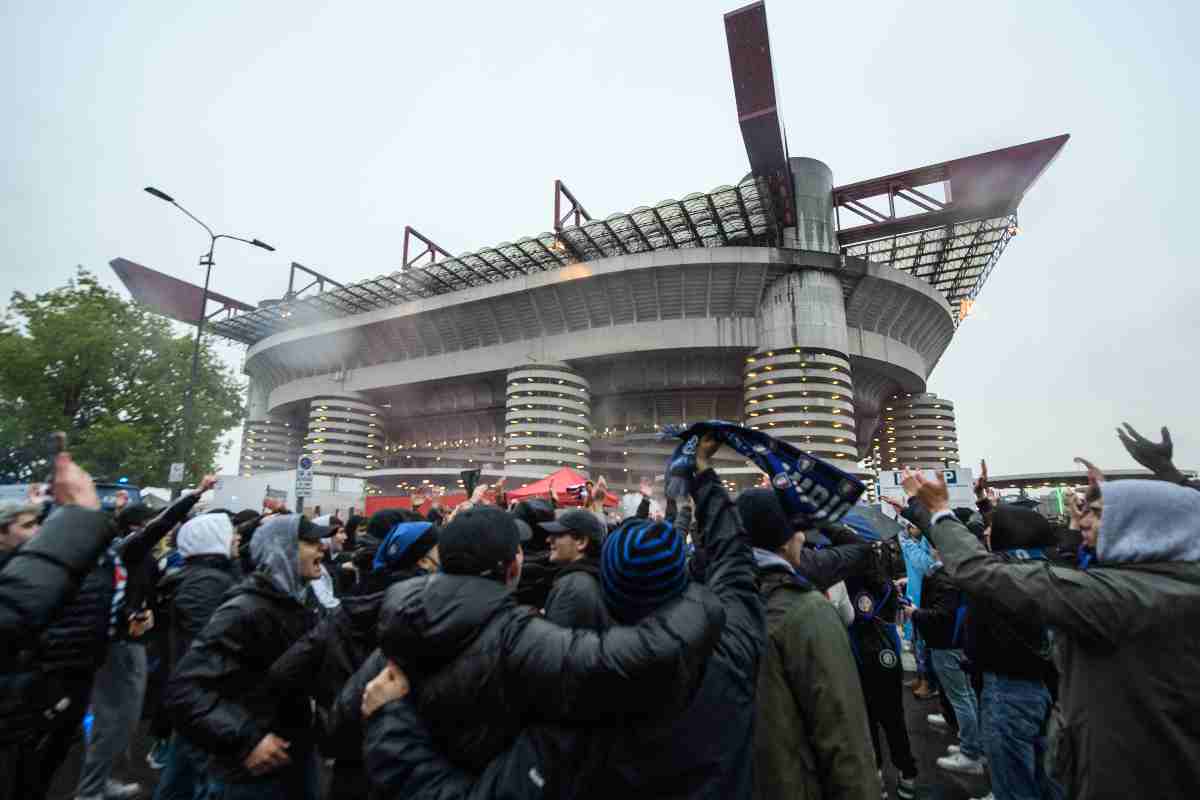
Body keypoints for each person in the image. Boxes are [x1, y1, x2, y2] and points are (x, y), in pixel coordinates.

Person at [363, 433, 763, 800]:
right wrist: (704, 475)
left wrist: (389, 722)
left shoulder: (586, 684)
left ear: (609, 586)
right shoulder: (735, 641)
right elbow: (734, 555)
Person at [904, 467, 1200, 800]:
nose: (1086, 521)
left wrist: (939, 510)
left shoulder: (1118, 596)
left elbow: (978, 572)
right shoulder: (1173, 581)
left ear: (1140, 526)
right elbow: (1071, 560)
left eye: (1100, 514)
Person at [269, 520, 440, 800]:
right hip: (405, 755)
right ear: (423, 560)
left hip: (348, 755)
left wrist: (321, 717)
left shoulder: (349, 607)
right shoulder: (427, 611)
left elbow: (285, 670)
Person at [165, 514, 326, 800]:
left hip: (291, 758)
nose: (322, 547)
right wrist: (248, 739)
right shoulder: (245, 609)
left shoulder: (298, 603)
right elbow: (185, 689)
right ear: (283, 550)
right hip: (249, 775)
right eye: (311, 542)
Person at [75, 476, 217, 800]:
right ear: (137, 527)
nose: (161, 533)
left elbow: (144, 588)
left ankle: (101, 781)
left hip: (130, 643)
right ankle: (90, 789)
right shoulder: (127, 549)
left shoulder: (133, 555)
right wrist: (195, 494)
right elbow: (160, 525)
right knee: (114, 721)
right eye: (148, 525)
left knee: (120, 721)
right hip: (121, 645)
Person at [744, 487, 879, 800]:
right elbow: (843, 735)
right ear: (785, 540)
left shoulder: (708, 588)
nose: (803, 537)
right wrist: (819, 514)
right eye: (797, 529)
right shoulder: (807, 605)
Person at [0, 454, 118, 800]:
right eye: (27, 526)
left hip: (30, 708)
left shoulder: (29, 570)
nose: (37, 532)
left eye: (39, 525)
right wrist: (76, 523)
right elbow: (15, 609)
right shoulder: (25, 578)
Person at [152, 511, 241, 800]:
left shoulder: (209, 576)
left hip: (196, 698)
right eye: (231, 532)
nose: (237, 537)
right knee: (205, 779)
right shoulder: (208, 582)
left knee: (180, 777)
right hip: (205, 697)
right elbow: (205, 644)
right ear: (213, 540)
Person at [907, 544, 983, 777]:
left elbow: (942, 615)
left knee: (960, 697)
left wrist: (914, 613)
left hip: (946, 644)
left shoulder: (945, 577)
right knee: (966, 695)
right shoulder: (956, 573)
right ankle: (973, 744)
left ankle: (971, 753)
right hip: (955, 642)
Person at [542, 508, 610, 629]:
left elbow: (556, 644)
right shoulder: (587, 578)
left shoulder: (573, 587)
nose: (548, 539)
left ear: (581, 541)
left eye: (558, 534)